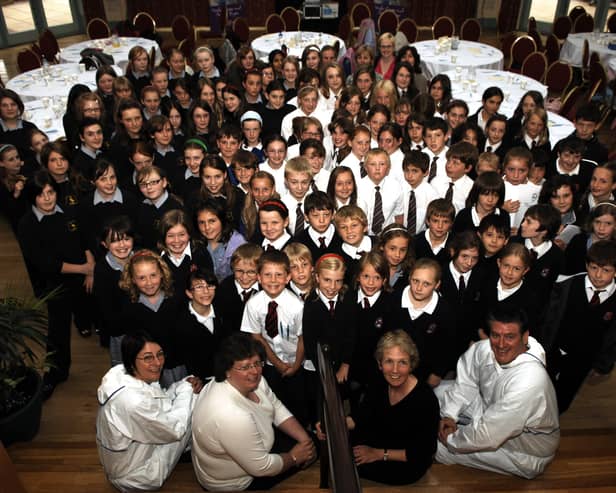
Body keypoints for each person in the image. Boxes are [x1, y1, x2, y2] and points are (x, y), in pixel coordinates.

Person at [436, 306, 560, 479]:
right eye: (496, 335)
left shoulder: (530, 381)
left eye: (510, 337)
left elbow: (488, 434)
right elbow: (466, 382)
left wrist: (450, 439)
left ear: (525, 337)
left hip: (523, 450)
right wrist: (449, 415)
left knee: (437, 449)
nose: (501, 344)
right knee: (436, 392)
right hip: (493, 413)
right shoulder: (484, 349)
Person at [191, 332, 316, 491]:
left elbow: (275, 407)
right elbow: (262, 467)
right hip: (234, 482)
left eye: (257, 363)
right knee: (312, 450)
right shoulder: (231, 415)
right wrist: (295, 457)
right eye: (244, 367)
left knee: (310, 441)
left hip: (251, 447)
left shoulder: (252, 381)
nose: (254, 372)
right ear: (227, 370)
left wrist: (305, 441)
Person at [319, 330, 439, 485]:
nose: (395, 370)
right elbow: (360, 418)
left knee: (347, 466)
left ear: (411, 365)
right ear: (380, 364)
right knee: (338, 453)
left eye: (402, 362)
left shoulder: (425, 399)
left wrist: (377, 454)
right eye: (389, 361)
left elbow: (423, 452)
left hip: (404, 459)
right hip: (380, 439)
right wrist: (331, 424)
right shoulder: (379, 383)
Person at [96, 331, 201, 493]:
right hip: (136, 476)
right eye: (148, 358)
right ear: (132, 362)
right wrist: (187, 390)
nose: (158, 363)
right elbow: (175, 429)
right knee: (193, 400)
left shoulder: (123, 374)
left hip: (125, 462)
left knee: (186, 394)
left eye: (160, 355)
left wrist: (182, 385)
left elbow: (160, 400)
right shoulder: (133, 401)